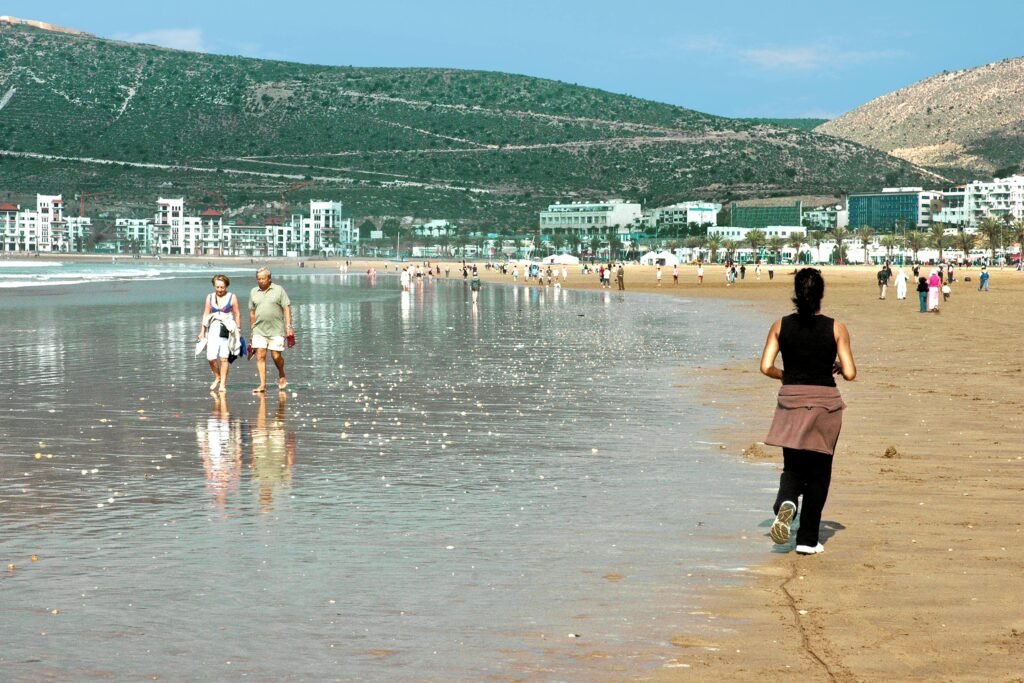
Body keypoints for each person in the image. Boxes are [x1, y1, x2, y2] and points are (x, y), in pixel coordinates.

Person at [760, 268, 856, 555]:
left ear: (796, 293)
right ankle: (807, 540)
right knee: (819, 471)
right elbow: (850, 373)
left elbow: (765, 366)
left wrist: (786, 375)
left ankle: (787, 503)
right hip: (825, 404)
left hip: (791, 400)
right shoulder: (836, 327)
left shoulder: (780, 325)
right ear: (821, 295)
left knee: (793, 464)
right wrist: (835, 366)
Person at [249, 267, 293, 393]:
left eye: (263, 278)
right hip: (259, 329)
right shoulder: (253, 292)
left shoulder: (278, 290)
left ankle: (281, 373)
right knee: (260, 355)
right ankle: (262, 385)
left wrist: (288, 326)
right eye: (258, 279)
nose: (261, 281)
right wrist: (252, 330)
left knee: (276, 356)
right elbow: (252, 312)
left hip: (277, 329)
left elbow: (286, 308)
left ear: (269, 278)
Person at [197, 274, 243, 393]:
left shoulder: (232, 297)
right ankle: (217, 376)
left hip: (227, 329)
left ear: (226, 286)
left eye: (222, 287)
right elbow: (205, 314)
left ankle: (222, 383)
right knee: (211, 358)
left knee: (224, 358)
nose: (219, 290)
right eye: (217, 287)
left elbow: (237, 314)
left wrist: (238, 329)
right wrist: (202, 331)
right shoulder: (210, 297)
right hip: (212, 329)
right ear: (214, 286)